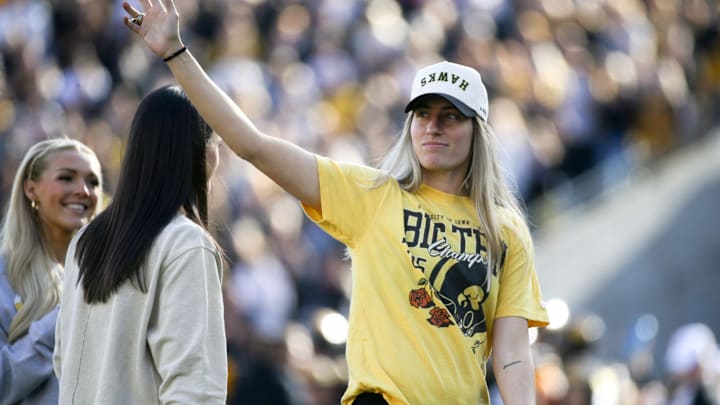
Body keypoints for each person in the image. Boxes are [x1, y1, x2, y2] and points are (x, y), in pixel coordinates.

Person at [122, 1, 549, 404]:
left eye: (450, 116)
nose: (432, 127)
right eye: (422, 114)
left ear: (477, 130)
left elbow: (511, 351)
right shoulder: (372, 195)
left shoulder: (504, 229)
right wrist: (176, 53)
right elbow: (254, 146)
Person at [53, 85, 227, 404]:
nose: (220, 151)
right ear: (197, 151)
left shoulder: (85, 241)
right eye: (216, 142)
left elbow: (64, 364)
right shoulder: (186, 244)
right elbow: (195, 388)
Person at [0, 138, 103, 404]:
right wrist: (65, 317)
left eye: (93, 182)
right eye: (67, 178)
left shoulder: (107, 278)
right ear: (31, 189)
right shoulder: (3, 277)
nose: (83, 190)